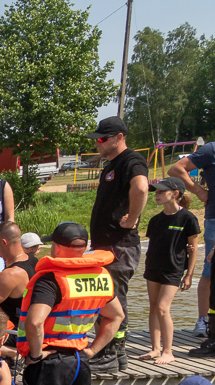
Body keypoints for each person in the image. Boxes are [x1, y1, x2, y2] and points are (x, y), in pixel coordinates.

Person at [16, 222, 124, 385]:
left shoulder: (51, 279)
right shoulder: (101, 276)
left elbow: (35, 322)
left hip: (49, 362)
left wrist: (35, 356)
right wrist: (93, 350)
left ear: (56, 247)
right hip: (79, 361)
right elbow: (116, 316)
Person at [86, 116, 150, 372]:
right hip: (106, 245)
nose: (97, 144)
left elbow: (141, 188)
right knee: (107, 297)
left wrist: (132, 218)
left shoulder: (131, 160)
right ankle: (117, 354)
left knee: (112, 299)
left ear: (119, 137)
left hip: (119, 245)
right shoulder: (111, 165)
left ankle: (110, 354)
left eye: (102, 139)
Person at [141, 177, 200, 365]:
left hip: (174, 269)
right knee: (153, 307)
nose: (156, 195)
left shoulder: (188, 218)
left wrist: (189, 275)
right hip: (153, 267)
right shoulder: (155, 220)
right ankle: (155, 349)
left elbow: (193, 248)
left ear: (175, 194)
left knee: (162, 308)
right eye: (156, 192)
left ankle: (168, 352)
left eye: (161, 192)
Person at [168, 141, 215, 347]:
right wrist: (199, 191)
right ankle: (204, 320)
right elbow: (176, 169)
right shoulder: (211, 149)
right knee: (211, 269)